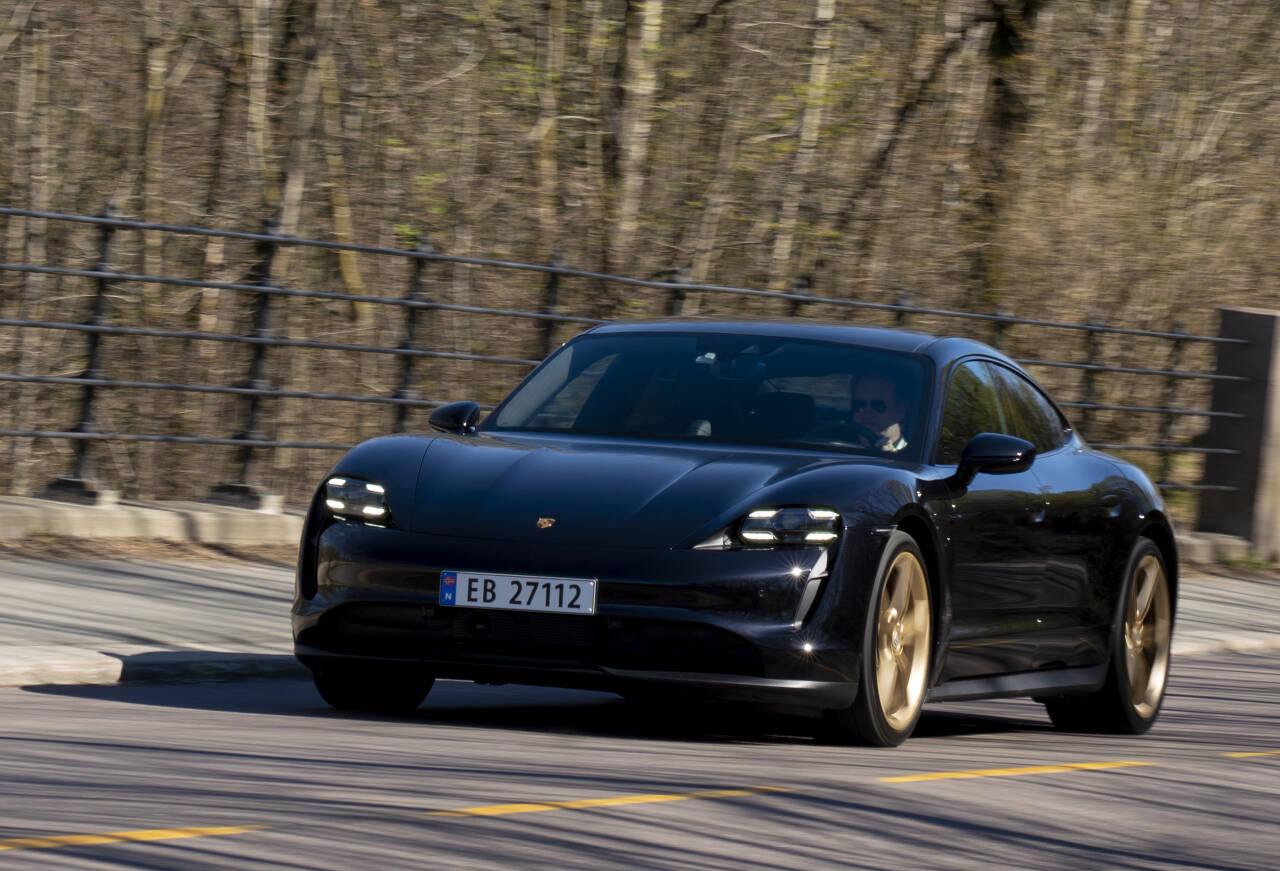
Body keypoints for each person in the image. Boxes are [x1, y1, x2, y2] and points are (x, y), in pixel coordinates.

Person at [848, 373, 909, 452]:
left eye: (878, 406)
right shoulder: (835, 448)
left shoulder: (913, 458)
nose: (867, 415)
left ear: (900, 410)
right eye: (859, 404)